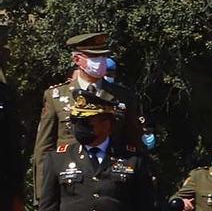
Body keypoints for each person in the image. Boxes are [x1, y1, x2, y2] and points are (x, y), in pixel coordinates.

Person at [33, 31, 144, 179]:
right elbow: (44, 148)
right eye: (94, 57)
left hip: (112, 178)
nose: (101, 61)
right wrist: (43, 194)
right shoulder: (56, 96)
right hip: (70, 178)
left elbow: (134, 140)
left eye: (103, 56)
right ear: (77, 59)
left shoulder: (123, 95)